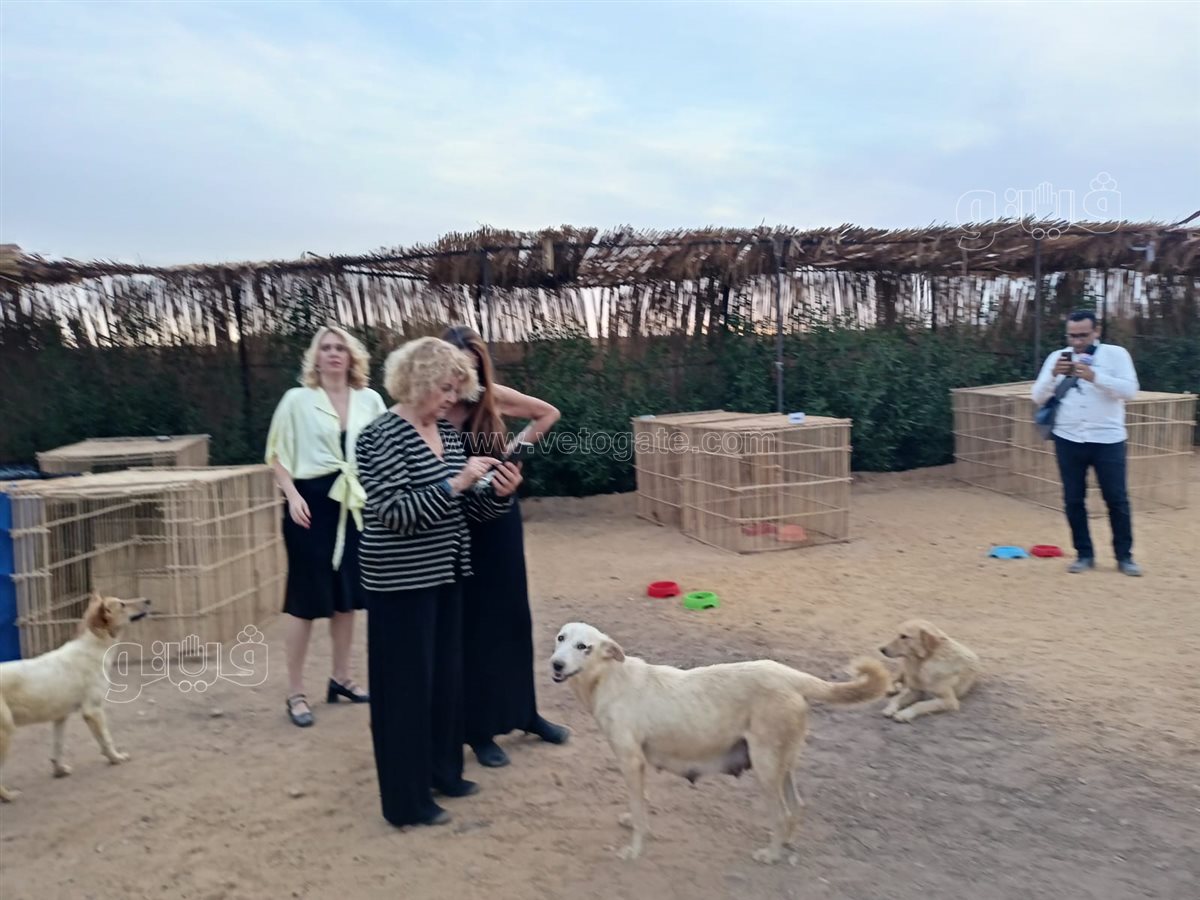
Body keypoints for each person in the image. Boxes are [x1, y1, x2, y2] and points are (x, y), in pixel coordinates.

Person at [355, 336, 523, 828]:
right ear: (419, 381)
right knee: (404, 692)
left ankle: (444, 772)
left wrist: (499, 495)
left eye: (457, 389)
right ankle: (407, 801)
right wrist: (456, 483)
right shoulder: (379, 436)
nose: (453, 398)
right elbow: (394, 512)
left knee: (444, 682)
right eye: (446, 388)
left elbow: (463, 510)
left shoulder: (446, 433)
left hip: (447, 574)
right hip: (399, 583)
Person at [442, 324, 569, 768]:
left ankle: (525, 713)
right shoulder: (434, 406)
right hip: (460, 525)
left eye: (473, 368)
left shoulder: (489, 397)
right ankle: (478, 731)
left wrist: (510, 456)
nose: (464, 379)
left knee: (514, 617)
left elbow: (547, 413)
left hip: (501, 520)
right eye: (458, 369)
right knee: (475, 626)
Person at [265, 325, 388, 728]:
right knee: (304, 599)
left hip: (355, 504)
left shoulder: (370, 400)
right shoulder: (297, 400)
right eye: (326, 348)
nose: (334, 353)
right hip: (310, 504)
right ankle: (295, 692)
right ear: (315, 358)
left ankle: (341, 678)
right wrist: (292, 495)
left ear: (352, 357)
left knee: (347, 596)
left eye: (341, 348)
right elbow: (276, 453)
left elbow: (385, 451)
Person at [1031, 309, 1142, 576]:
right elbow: (1037, 397)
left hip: (1108, 439)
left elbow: (1130, 391)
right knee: (1073, 499)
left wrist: (1095, 377)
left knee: (1116, 499)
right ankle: (1084, 554)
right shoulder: (1057, 357)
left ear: (1097, 331)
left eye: (1083, 335)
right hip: (1068, 438)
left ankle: (1124, 557)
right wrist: (1053, 376)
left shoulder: (1116, 355)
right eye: (1072, 336)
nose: (1077, 341)